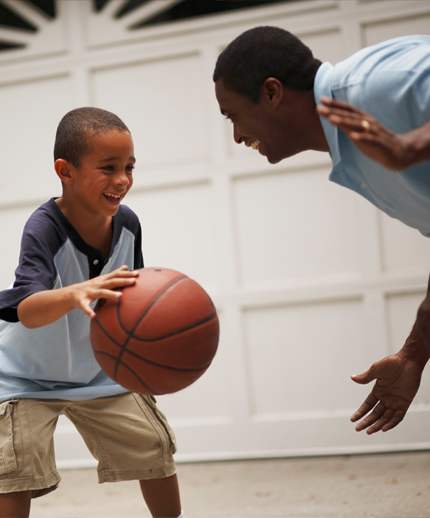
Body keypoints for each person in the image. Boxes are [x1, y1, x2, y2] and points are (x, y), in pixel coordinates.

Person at [213, 26, 430, 436]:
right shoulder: (353, 147)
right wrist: (414, 355)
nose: (237, 136)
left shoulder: (379, 84)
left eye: (234, 115)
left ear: (273, 93)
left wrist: (410, 148)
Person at [0, 107, 184, 518]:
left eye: (129, 167)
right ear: (65, 171)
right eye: (108, 167)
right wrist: (76, 291)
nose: (122, 180)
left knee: (152, 441)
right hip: (24, 375)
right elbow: (27, 309)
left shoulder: (128, 224)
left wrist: (151, 353)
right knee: (17, 465)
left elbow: (133, 302)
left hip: (97, 370)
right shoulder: (44, 227)